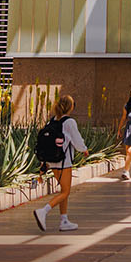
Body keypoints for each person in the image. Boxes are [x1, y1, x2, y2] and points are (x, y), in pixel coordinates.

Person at [35, 95, 91, 231]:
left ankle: (64, 220)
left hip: (52, 161)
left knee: (63, 191)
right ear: (70, 107)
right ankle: (43, 211)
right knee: (65, 192)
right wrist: (84, 149)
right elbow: (76, 140)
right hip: (63, 161)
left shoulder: (52, 121)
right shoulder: (69, 122)